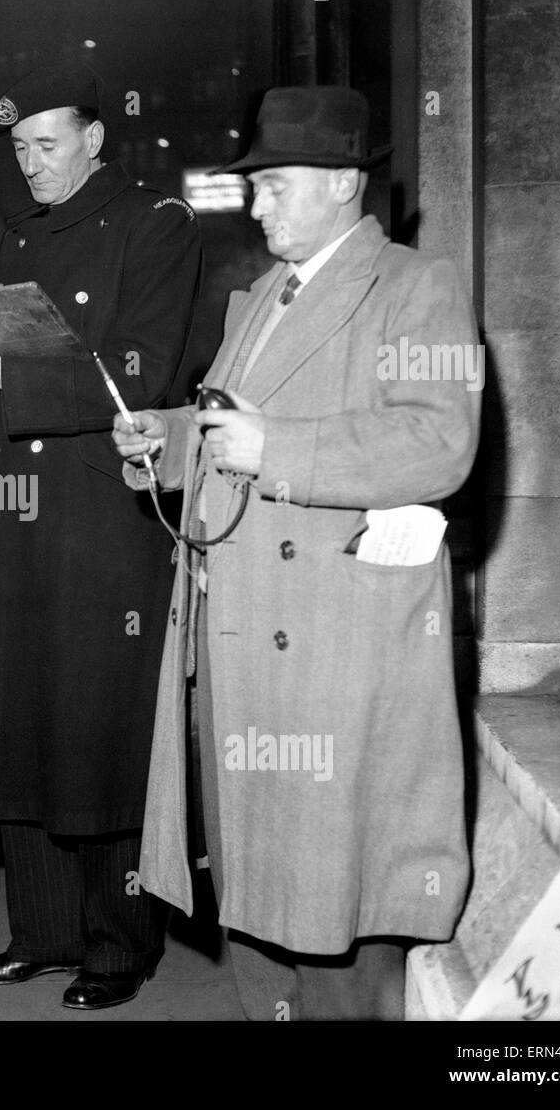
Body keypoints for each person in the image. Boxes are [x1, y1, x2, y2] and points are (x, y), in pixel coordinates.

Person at [112, 86, 481, 1019]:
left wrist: (278, 448)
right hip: (238, 646)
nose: (259, 204)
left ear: (346, 184)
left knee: (332, 915)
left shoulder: (415, 285)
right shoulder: (260, 300)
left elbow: (441, 443)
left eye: (274, 185)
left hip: (330, 648)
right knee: (256, 902)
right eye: (258, 188)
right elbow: (225, 426)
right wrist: (164, 438)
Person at [0, 62, 202, 1010]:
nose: (31, 163)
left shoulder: (156, 225)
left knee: (100, 727)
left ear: (95, 138)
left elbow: (144, 367)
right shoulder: (17, 235)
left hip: (96, 514)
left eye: (48, 145)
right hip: (9, 514)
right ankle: (40, 934)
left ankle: (119, 944)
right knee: (19, 719)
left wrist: (2, 373)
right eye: (18, 149)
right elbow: (2, 369)